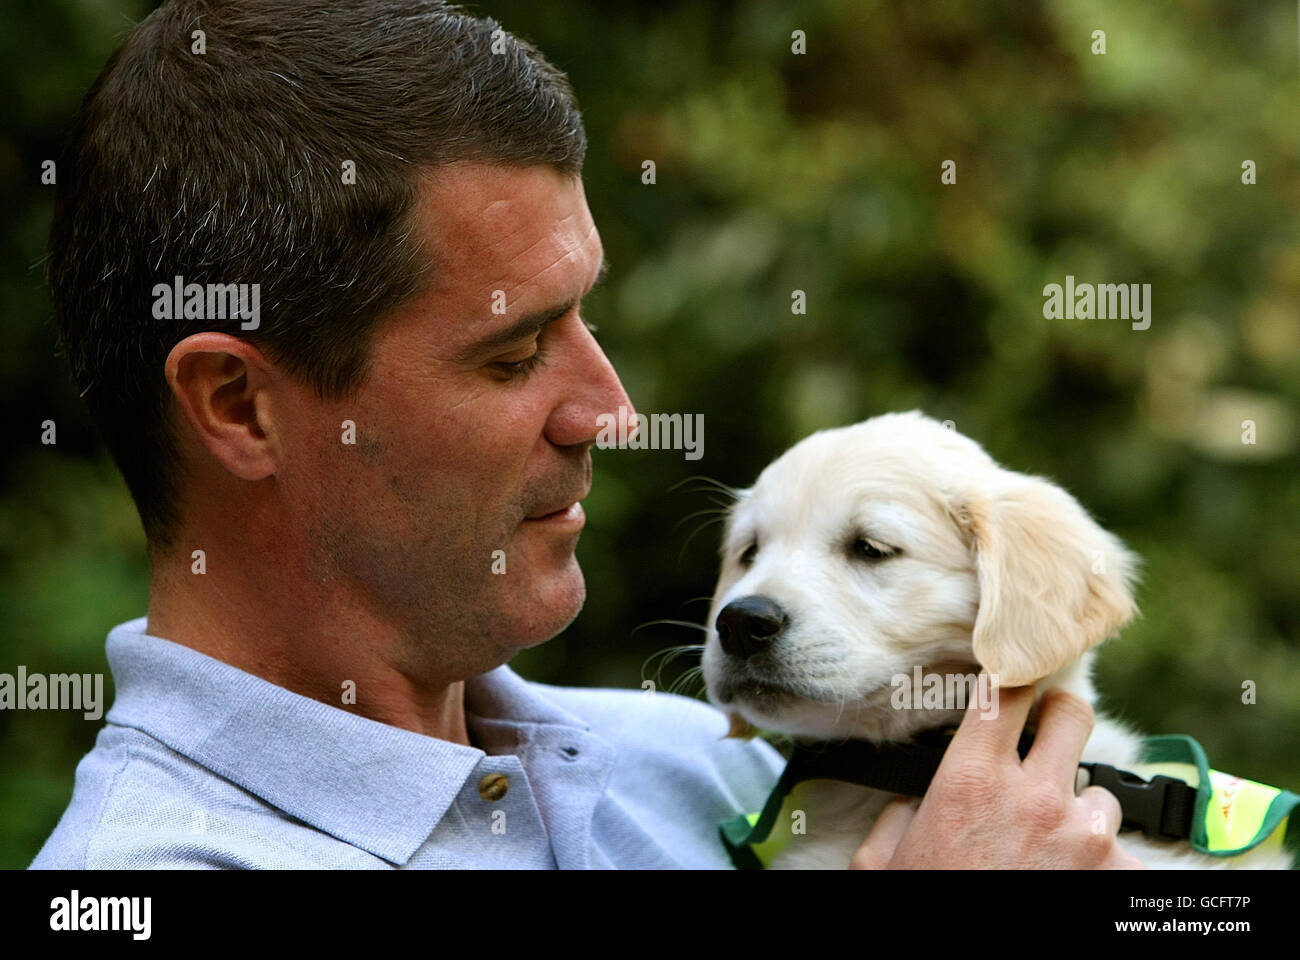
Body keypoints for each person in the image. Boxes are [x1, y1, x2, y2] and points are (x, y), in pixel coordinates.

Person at [31, 0, 1142, 870]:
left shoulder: (717, 774)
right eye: (511, 354)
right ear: (239, 406)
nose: (609, 411)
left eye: (583, 316)